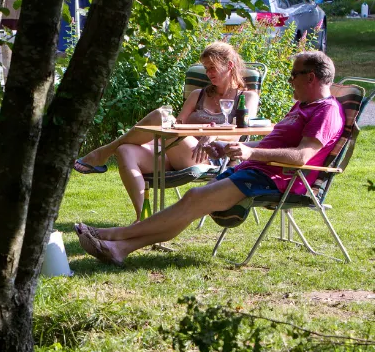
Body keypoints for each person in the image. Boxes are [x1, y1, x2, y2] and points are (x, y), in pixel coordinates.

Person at [75, 50, 343, 266]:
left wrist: (250, 151)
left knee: (193, 200)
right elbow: (271, 142)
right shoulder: (302, 106)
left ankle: (109, 235)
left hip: (277, 179)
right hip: (256, 170)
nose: (290, 80)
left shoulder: (326, 111)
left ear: (311, 78)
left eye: (294, 75)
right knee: (192, 204)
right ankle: (120, 249)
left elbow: (302, 156)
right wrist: (229, 146)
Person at [73, 42, 259, 221]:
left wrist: (213, 135)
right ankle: (143, 218)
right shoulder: (198, 95)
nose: (208, 73)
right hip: (175, 150)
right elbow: (176, 126)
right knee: (126, 150)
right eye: (206, 68)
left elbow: (239, 134)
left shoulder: (247, 97)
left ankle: (103, 152)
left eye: (212, 67)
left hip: (208, 155)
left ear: (229, 65)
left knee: (160, 116)